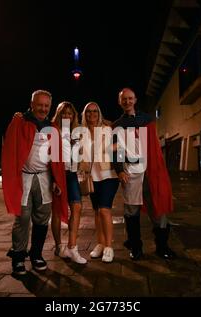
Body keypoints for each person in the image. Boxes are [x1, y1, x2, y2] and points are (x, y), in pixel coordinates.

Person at [2, 90, 68, 276]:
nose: (43, 109)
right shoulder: (20, 121)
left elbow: (56, 157)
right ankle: (18, 257)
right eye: (40, 105)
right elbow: (11, 150)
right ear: (32, 104)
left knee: (42, 219)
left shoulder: (52, 127)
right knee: (22, 218)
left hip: (45, 178)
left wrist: (56, 180)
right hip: (24, 177)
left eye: (47, 106)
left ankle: (37, 255)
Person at [112, 88, 176, 262]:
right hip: (130, 172)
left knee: (158, 207)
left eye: (130, 98)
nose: (127, 102)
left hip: (151, 171)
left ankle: (162, 246)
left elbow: (155, 147)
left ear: (135, 99)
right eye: (124, 99)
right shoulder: (117, 125)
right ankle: (135, 247)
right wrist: (119, 170)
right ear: (120, 102)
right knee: (131, 211)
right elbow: (116, 151)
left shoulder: (147, 120)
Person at [79, 102, 120, 263]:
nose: (92, 114)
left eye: (95, 111)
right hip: (91, 177)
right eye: (88, 112)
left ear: (99, 112)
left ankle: (109, 247)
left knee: (104, 210)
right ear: (84, 114)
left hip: (109, 175)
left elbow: (120, 145)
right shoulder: (81, 132)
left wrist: (111, 149)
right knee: (96, 211)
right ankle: (100, 244)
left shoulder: (107, 128)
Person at [51, 101, 87, 264]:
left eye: (69, 113)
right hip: (58, 174)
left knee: (77, 206)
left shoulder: (76, 132)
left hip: (72, 174)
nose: (67, 115)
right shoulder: (53, 130)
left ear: (74, 116)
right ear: (59, 114)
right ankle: (59, 247)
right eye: (64, 113)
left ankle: (72, 247)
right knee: (57, 211)